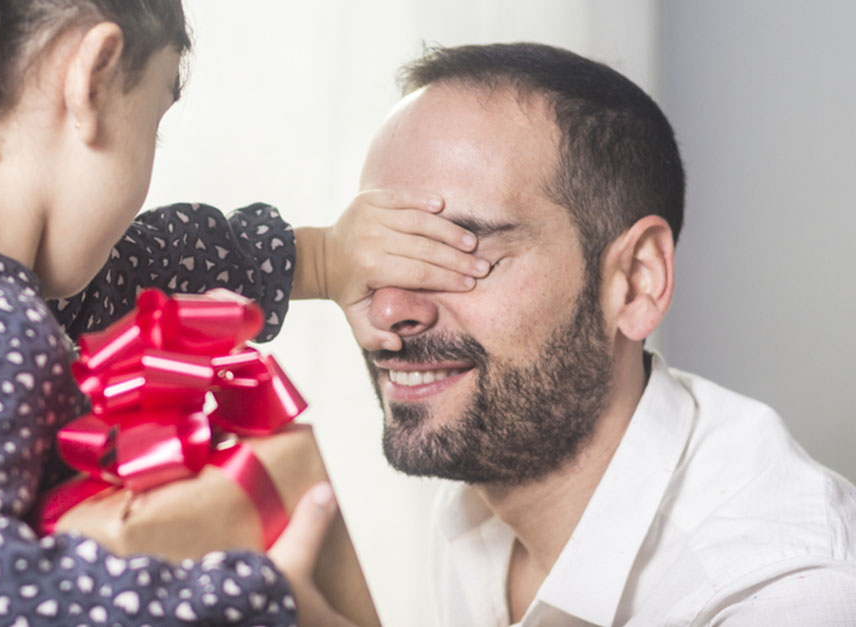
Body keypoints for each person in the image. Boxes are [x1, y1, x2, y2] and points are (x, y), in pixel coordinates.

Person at [0, 1, 493, 624]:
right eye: (150, 121)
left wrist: (322, 257)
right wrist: (243, 594)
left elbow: (138, 269)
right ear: (91, 77)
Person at [353, 43, 856, 625]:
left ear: (636, 282)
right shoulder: (479, 491)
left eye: (462, 250)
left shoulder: (787, 594)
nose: (388, 310)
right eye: (379, 252)